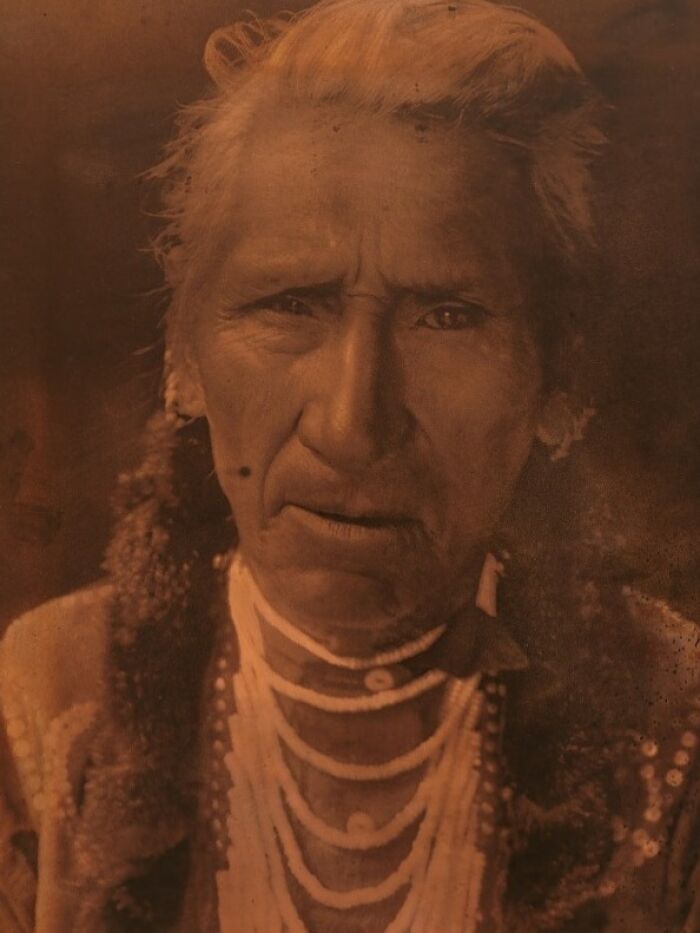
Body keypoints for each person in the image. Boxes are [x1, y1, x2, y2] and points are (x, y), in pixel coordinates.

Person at [1, 0, 698, 930]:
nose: (352, 422)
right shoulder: (45, 700)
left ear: (559, 381)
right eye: (291, 303)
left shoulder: (670, 724)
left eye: (446, 315)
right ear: (182, 359)